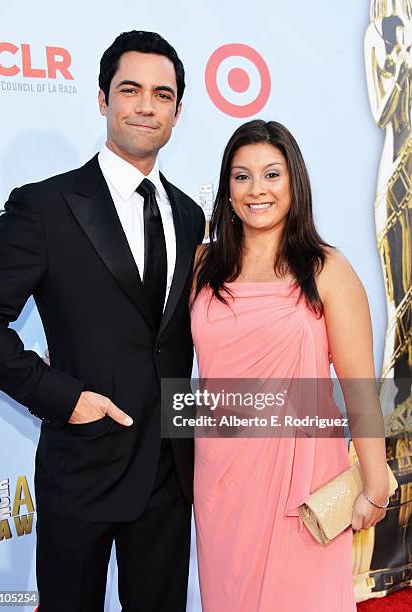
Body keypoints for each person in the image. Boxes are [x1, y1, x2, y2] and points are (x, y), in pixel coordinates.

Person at [0, 31, 205, 612]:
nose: (146, 106)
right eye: (130, 90)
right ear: (103, 99)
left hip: (170, 475)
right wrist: (63, 397)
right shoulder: (44, 207)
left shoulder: (191, 213)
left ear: (178, 109)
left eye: (162, 93)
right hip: (82, 467)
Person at [191, 119, 390, 611]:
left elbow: (360, 388)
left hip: (305, 482)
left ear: (294, 182)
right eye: (242, 176)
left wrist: (376, 483)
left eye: (271, 174)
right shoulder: (202, 265)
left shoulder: (327, 269)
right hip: (221, 479)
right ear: (227, 190)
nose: (257, 189)